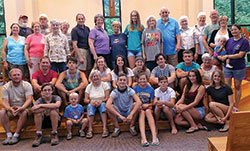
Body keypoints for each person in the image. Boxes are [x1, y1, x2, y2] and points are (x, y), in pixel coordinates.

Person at [218, 24, 250, 108]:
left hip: (238, 67)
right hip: (227, 67)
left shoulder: (244, 41)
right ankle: (229, 104)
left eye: (235, 29)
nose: (233, 31)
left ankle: (237, 105)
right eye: (232, 30)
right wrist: (219, 55)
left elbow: (240, 55)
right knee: (227, 87)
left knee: (237, 86)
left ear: (239, 30)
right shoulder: (229, 40)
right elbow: (222, 50)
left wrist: (228, 56)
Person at [0, 68, 33, 145]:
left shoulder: (27, 85)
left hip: (25, 107)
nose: (16, 77)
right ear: (10, 77)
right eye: (14, 75)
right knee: (2, 112)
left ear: (21, 76)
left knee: (24, 112)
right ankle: (8, 135)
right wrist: (9, 108)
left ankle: (16, 135)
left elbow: (29, 99)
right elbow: (4, 101)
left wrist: (22, 108)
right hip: (11, 108)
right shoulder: (6, 87)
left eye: (18, 75)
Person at [174, 69, 206, 133]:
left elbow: (195, 102)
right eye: (190, 76)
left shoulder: (201, 87)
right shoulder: (187, 86)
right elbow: (182, 98)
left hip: (199, 110)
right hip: (188, 108)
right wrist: (176, 105)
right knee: (177, 121)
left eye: (193, 76)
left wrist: (184, 107)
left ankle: (193, 126)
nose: (192, 78)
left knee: (182, 107)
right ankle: (196, 124)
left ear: (197, 76)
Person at [31, 83, 61, 147]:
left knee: (53, 111)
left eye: (49, 90)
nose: (47, 92)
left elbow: (57, 105)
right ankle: (39, 134)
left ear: (52, 91)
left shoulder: (56, 97)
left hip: (55, 121)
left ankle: (54, 134)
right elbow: (33, 110)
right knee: (37, 113)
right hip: (43, 122)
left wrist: (41, 106)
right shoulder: (39, 100)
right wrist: (50, 106)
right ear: (42, 92)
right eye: (45, 90)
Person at [133, 73, 158, 147]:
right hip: (140, 109)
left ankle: (154, 137)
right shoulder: (135, 89)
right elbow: (133, 101)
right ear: (138, 80)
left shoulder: (150, 89)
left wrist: (148, 105)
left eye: (144, 79)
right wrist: (139, 105)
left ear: (147, 80)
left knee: (147, 112)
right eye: (141, 79)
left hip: (149, 108)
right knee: (142, 113)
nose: (142, 80)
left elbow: (153, 102)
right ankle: (143, 138)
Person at [84, 70, 110, 139]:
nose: (95, 78)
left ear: (100, 77)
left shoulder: (104, 85)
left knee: (103, 106)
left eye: (97, 76)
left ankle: (105, 128)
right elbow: (85, 99)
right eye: (94, 76)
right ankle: (90, 129)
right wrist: (90, 101)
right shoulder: (89, 86)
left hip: (102, 102)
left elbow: (107, 97)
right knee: (89, 106)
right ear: (91, 78)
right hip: (92, 103)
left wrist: (101, 101)